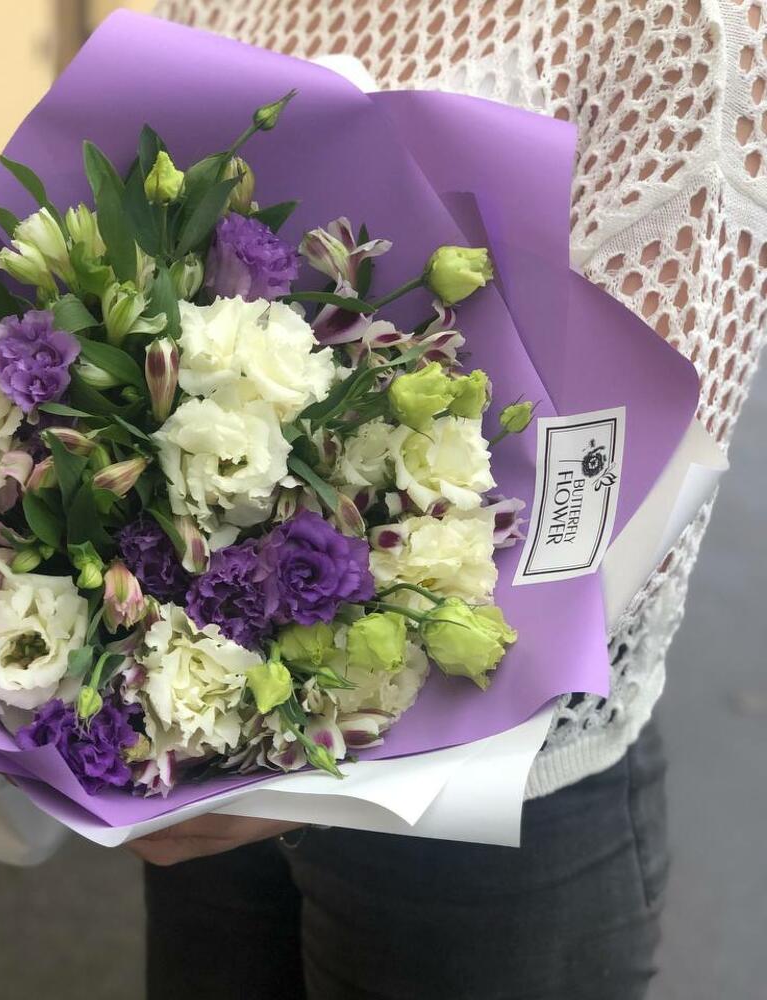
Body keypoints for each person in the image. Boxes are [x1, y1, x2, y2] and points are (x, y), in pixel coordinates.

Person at [130, 1, 767, 997]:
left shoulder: (682, 20)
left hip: (493, 800)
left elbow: (631, 452)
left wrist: (323, 746)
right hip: (212, 720)